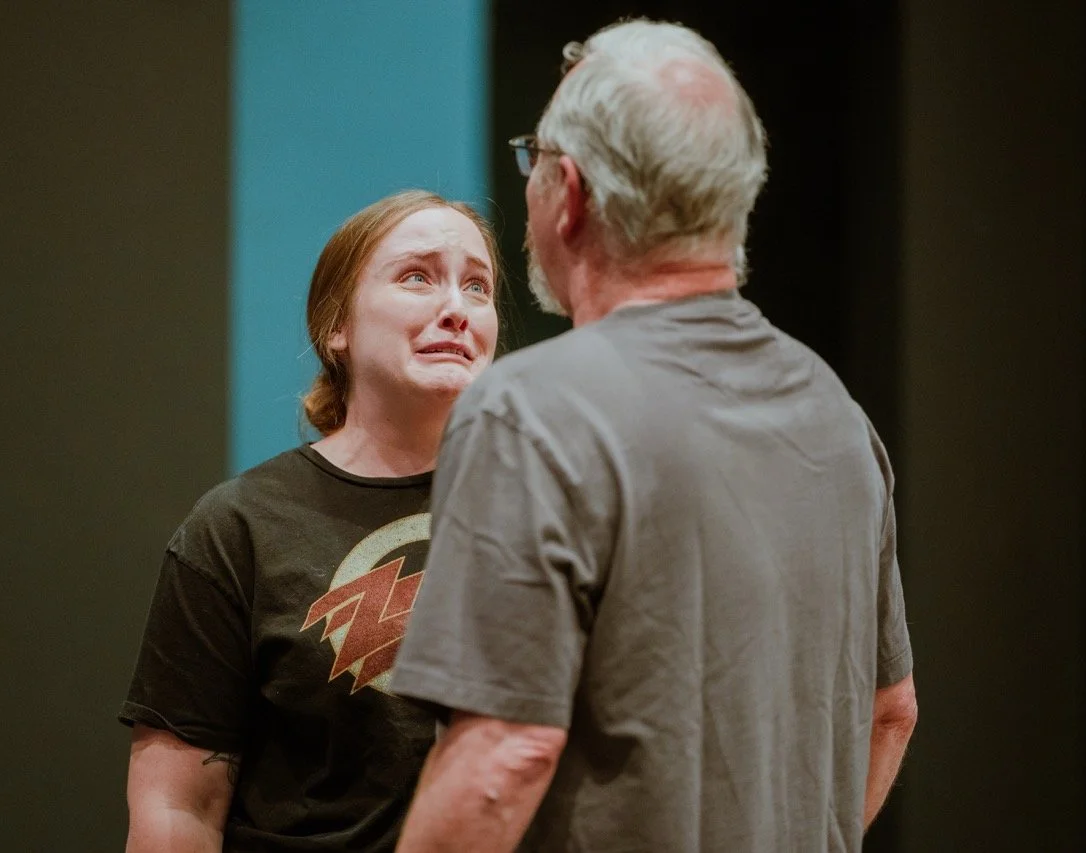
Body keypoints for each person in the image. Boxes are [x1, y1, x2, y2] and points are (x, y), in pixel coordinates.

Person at [391, 19, 917, 853]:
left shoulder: (531, 411)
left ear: (570, 193)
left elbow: (504, 756)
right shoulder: (838, 416)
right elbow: (890, 711)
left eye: (535, 160)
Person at [119, 189, 501, 852]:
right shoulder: (240, 527)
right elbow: (177, 807)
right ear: (336, 327)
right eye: (417, 277)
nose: (455, 309)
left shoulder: (551, 508)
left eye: (477, 286)